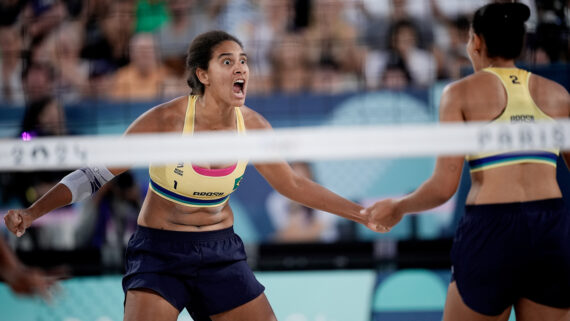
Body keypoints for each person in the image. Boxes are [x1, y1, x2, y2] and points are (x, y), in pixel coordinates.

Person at [4, 30, 378, 321]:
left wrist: (361, 214)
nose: (241, 69)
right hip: (159, 254)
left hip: (221, 253)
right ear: (203, 74)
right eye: (228, 61)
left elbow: (294, 186)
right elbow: (93, 175)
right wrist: (32, 214)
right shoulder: (165, 121)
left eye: (244, 61)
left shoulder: (254, 127)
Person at [362, 3, 570, 321]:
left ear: (476, 43)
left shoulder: (459, 93)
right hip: (551, 229)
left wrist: (399, 206)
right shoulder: (557, 95)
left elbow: (444, 188)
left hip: (492, 228)